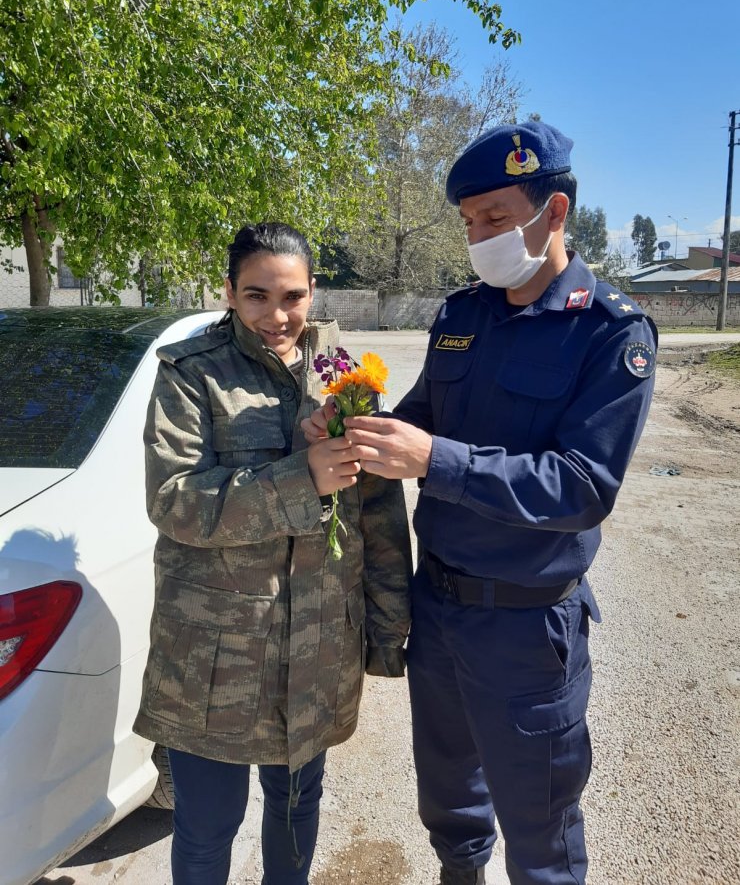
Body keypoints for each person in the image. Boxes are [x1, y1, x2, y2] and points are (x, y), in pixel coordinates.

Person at [302, 123, 657, 885]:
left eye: (494, 218)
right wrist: (356, 424)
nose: (478, 237)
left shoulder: (608, 332)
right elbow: (424, 414)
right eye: (469, 223)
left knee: (542, 832)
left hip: (528, 626)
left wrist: (435, 460)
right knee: (452, 808)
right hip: (440, 612)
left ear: (554, 212)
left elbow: (582, 486)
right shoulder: (461, 317)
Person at [134, 221, 412, 885]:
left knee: (295, 815)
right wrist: (301, 476)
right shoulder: (191, 374)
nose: (276, 315)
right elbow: (173, 500)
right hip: (216, 658)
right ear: (229, 292)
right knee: (206, 829)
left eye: (292, 296)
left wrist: (389, 626)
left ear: (313, 292)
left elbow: (376, 508)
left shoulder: (342, 373)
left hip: (316, 646)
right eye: (256, 295)